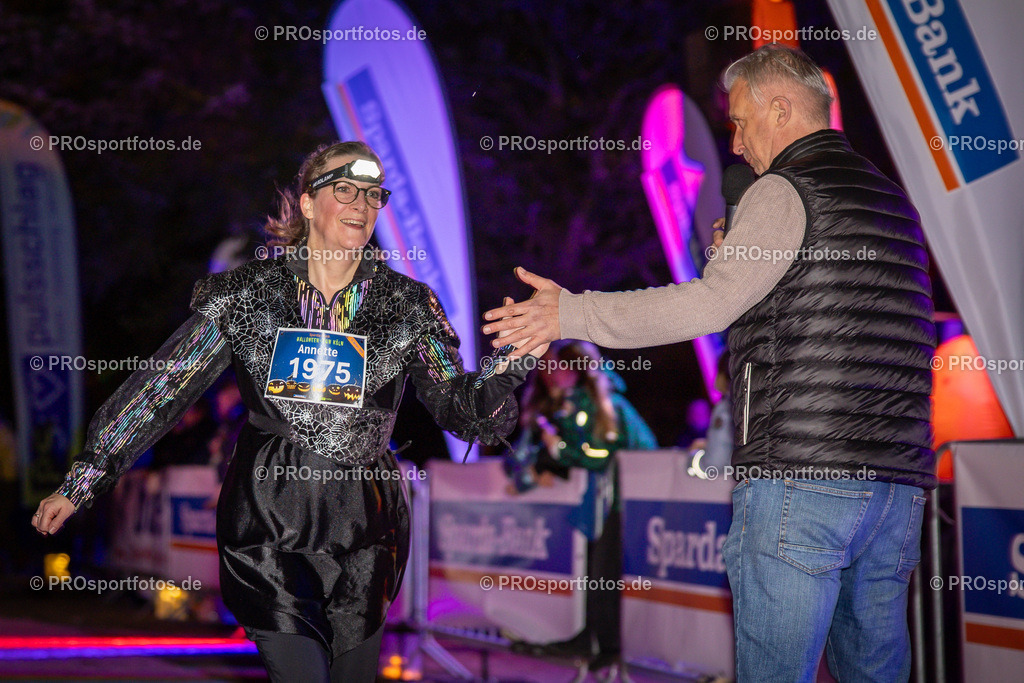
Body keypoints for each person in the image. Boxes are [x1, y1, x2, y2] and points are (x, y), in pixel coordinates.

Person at [482, 45, 936, 682]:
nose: (737, 140)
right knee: (875, 671)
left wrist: (570, 316)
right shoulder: (894, 202)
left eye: (743, 121)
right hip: (896, 487)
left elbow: (709, 307)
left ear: (781, 109)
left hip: (801, 478)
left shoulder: (784, 188)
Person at [32, 140, 541, 683]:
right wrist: (85, 478)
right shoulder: (249, 295)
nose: (361, 204)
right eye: (343, 189)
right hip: (269, 519)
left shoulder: (407, 305)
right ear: (306, 204)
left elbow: (461, 409)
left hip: (365, 531)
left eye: (373, 195)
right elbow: (163, 387)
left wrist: (511, 364)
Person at [504, 340, 656, 670]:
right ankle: (592, 638)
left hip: (621, 502)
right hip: (599, 501)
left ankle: (607, 646)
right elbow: (532, 454)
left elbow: (598, 453)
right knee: (592, 570)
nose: (552, 372)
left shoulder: (603, 402)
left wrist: (555, 451)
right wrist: (542, 461)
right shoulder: (567, 403)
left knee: (605, 571)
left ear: (578, 368)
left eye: (559, 364)